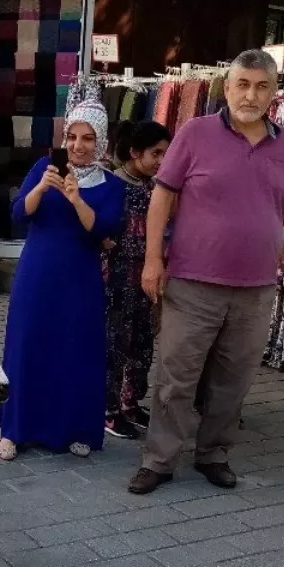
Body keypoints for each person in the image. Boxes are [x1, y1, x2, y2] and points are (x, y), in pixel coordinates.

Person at [130, 49, 284, 495]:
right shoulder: (195, 133)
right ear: (227, 87)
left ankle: (213, 453)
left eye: (261, 86)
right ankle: (159, 459)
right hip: (193, 283)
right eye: (243, 84)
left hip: (255, 289)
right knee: (177, 376)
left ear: (274, 92)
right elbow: (162, 198)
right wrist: (153, 259)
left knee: (233, 380)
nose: (250, 94)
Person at [0, 100, 125, 461]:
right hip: (36, 275)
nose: (78, 145)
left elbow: (102, 229)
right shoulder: (44, 166)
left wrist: (76, 198)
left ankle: (78, 428)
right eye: (72, 136)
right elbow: (19, 212)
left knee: (76, 350)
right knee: (26, 347)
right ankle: (13, 430)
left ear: (100, 143)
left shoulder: (111, 185)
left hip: (80, 280)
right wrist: (40, 188)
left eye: (87, 138)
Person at [103, 120, 171, 440]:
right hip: (118, 277)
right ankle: (108, 409)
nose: (161, 160)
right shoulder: (112, 184)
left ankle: (131, 402)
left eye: (165, 154)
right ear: (134, 152)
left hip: (145, 276)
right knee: (117, 341)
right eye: (155, 153)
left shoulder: (154, 187)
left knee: (141, 340)